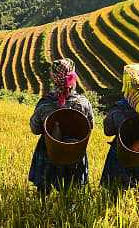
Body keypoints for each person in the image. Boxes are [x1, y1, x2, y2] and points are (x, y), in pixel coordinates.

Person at [28, 59, 95, 194]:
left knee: (44, 189)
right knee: (72, 190)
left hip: (49, 150)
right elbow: (90, 125)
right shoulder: (83, 103)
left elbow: (35, 129)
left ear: (54, 78)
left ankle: (43, 209)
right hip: (75, 151)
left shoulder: (45, 105)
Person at [100, 63, 139, 193]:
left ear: (127, 85)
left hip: (120, 155)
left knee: (113, 192)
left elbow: (108, 131)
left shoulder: (118, 110)